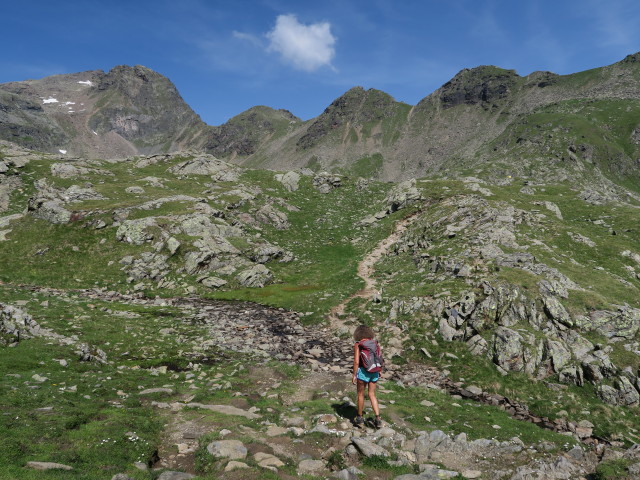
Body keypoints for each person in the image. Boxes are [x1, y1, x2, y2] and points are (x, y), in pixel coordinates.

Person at [352, 325, 383, 428]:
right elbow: (379, 357)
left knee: (361, 394)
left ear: (358, 334)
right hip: (374, 371)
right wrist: (380, 370)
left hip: (363, 372)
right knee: (372, 394)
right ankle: (378, 419)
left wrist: (354, 375)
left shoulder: (358, 344)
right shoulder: (375, 343)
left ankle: (360, 418)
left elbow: (356, 361)